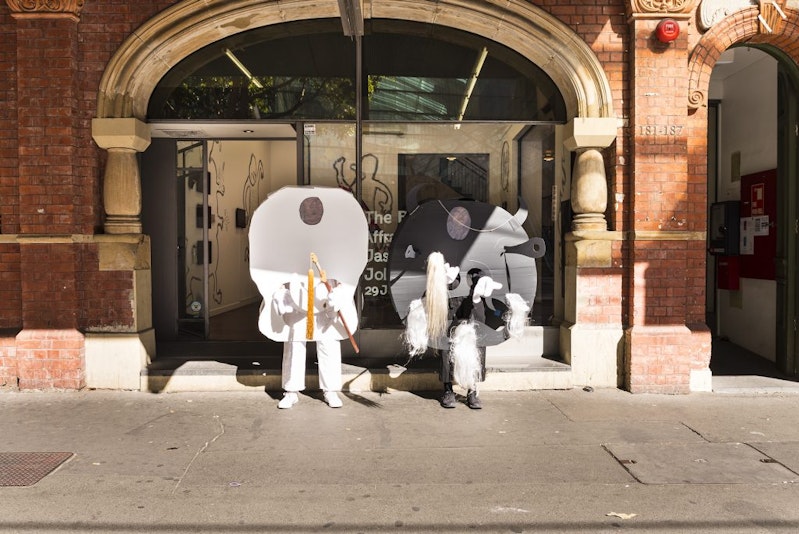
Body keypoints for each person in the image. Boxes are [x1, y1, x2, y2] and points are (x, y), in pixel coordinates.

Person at [249, 187, 369, 409]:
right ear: (300, 209)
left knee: (328, 344)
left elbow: (346, 264)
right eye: (308, 206)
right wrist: (280, 293)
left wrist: (340, 293)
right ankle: (291, 390)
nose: (312, 209)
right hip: (297, 295)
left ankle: (331, 390)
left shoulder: (335, 233)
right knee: (294, 344)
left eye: (316, 206)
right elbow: (277, 261)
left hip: (326, 295)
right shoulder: (289, 233)